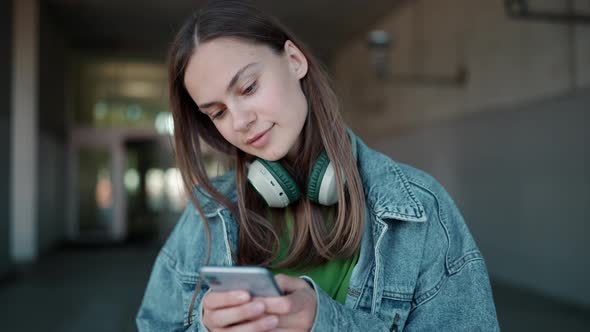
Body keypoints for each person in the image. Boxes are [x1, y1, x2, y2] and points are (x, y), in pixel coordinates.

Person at [136, 1, 500, 331]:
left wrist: (323, 322)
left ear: (294, 60)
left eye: (247, 88)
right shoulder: (209, 212)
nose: (239, 121)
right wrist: (205, 327)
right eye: (217, 112)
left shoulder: (420, 211)